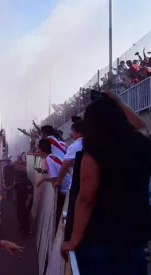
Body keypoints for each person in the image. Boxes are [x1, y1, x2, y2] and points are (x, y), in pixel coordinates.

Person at [61, 93, 151, 275]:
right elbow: (142, 127)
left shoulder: (94, 150)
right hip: (133, 238)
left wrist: (74, 239)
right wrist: (119, 102)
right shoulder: (142, 143)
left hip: (98, 241)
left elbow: (86, 198)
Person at [14, 160, 33, 237]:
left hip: (26, 202)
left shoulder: (27, 181)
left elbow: (30, 193)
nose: (19, 169)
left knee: (25, 217)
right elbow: (15, 186)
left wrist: (27, 202)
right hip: (20, 201)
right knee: (19, 215)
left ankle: (26, 232)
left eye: (21, 168)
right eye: (19, 168)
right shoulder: (18, 178)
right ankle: (22, 226)